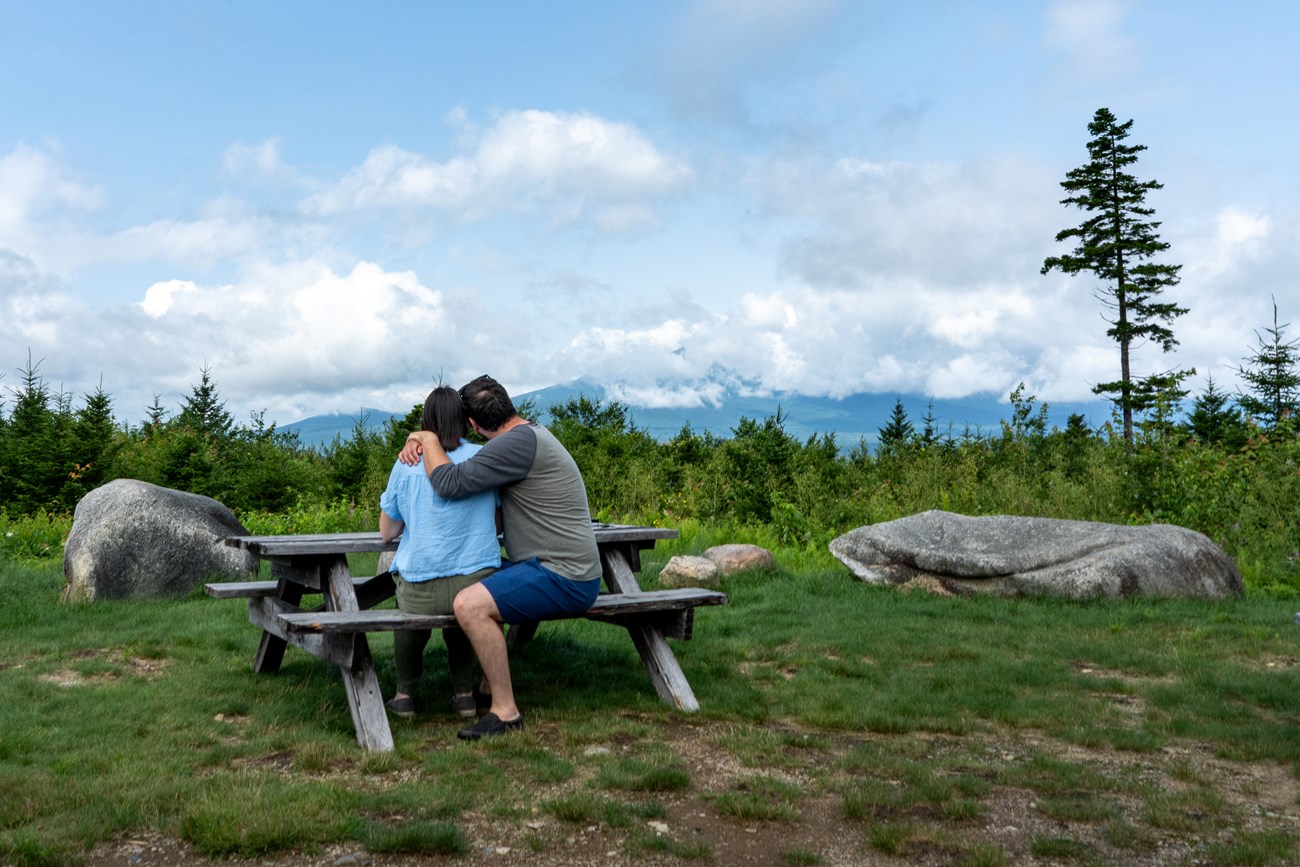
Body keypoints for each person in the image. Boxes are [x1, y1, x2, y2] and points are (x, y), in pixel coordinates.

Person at [399, 374, 601, 740]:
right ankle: (487, 687)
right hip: (558, 567)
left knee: (469, 604)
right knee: (482, 573)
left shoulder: (512, 445)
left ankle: (505, 712)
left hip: (563, 576)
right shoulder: (530, 433)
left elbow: (448, 484)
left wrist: (427, 437)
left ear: (474, 425)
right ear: (508, 404)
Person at [380, 386, 501, 719]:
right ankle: (464, 694)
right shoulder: (484, 458)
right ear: (464, 420)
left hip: (421, 587)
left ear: (425, 422)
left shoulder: (407, 464)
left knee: (408, 619)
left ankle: (404, 695)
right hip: (477, 583)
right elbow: (498, 521)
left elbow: (388, 531)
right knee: (465, 616)